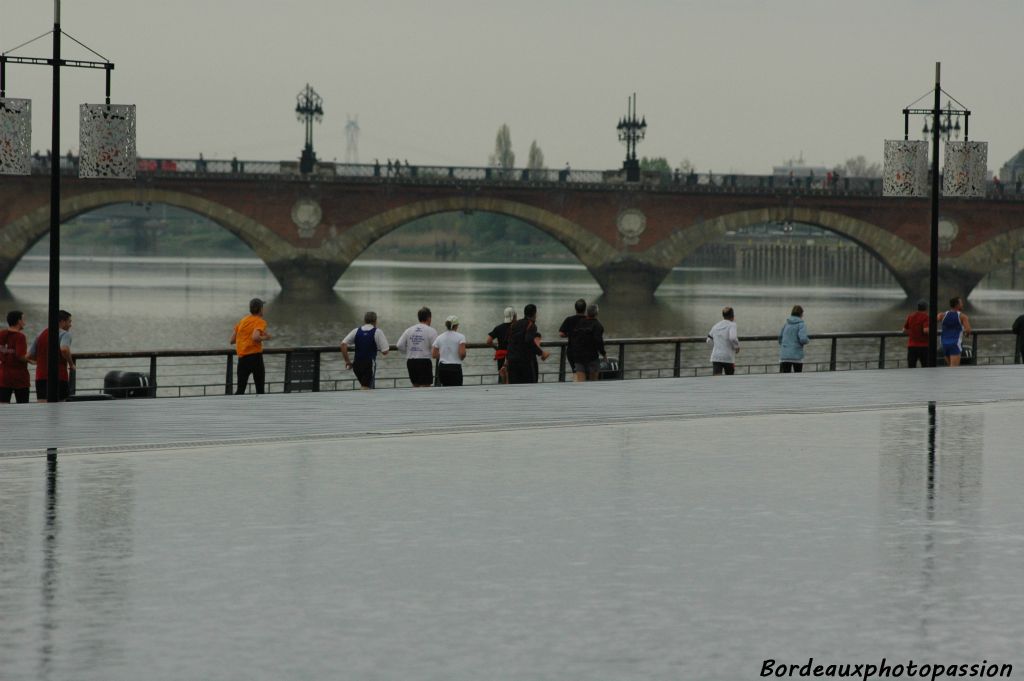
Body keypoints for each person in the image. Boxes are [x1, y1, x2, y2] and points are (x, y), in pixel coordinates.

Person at [29, 309, 74, 402]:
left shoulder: (41, 334)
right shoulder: (65, 334)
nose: (70, 325)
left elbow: (28, 355)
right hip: (59, 376)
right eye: (69, 321)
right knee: (61, 407)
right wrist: (71, 364)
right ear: (62, 321)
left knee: (42, 405)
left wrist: (40, 361)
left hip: (40, 376)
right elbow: (64, 349)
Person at [230, 298, 271, 394]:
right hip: (255, 358)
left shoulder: (243, 320)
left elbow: (232, 340)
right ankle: (260, 408)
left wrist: (244, 338)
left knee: (240, 390)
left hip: (242, 359)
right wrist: (266, 337)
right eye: (263, 308)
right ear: (260, 309)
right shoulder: (260, 321)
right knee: (260, 389)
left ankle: (236, 408)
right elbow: (255, 337)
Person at [341, 311, 389, 389]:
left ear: (364, 320)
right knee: (367, 389)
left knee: (365, 387)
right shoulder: (377, 332)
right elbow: (385, 352)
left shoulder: (356, 331)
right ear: (375, 321)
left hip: (356, 364)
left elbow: (343, 344)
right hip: (369, 364)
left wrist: (347, 361)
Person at [505, 303, 550, 384]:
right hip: (525, 362)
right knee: (529, 386)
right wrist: (541, 353)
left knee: (513, 386)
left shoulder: (515, 324)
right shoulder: (531, 325)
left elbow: (508, 340)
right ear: (534, 314)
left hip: (512, 360)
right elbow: (528, 340)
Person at [396, 307, 437, 388]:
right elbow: (436, 348)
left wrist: (408, 351)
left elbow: (399, 345)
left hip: (411, 361)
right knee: (426, 387)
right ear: (429, 318)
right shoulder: (431, 331)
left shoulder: (409, 330)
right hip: (424, 361)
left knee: (415, 386)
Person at [1, 310, 33, 404]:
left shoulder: (1, 334)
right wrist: (31, 360)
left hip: (3, 375)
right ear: (19, 321)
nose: (25, 322)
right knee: (23, 405)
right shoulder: (20, 337)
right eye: (23, 320)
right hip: (19, 377)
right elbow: (20, 356)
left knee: (2, 405)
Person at [570, 304, 606, 382]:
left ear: (587, 312)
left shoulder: (580, 323)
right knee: (593, 383)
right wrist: (604, 354)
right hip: (592, 357)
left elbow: (574, 337)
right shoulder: (598, 325)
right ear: (596, 313)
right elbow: (599, 342)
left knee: (581, 383)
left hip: (578, 357)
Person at [432, 315, 467, 387]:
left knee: (445, 389)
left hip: (442, 368)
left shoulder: (439, 337)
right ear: (456, 326)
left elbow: (434, 354)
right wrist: (461, 357)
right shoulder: (461, 337)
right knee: (457, 390)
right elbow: (462, 354)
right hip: (455, 368)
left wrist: (443, 355)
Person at [937, 296, 972, 367]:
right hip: (954, 344)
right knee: (954, 369)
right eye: (961, 303)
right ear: (957, 305)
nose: (962, 304)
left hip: (944, 344)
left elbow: (932, 323)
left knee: (950, 366)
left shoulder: (942, 315)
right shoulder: (962, 316)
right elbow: (968, 330)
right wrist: (966, 334)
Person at [706, 306, 740, 376]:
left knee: (717, 380)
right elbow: (733, 338)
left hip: (716, 356)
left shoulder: (716, 326)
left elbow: (708, 340)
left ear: (723, 316)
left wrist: (717, 346)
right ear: (732, 316)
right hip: (728, 357)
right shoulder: (732, 325)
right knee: (729, 380)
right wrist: (737, 347)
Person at [486, 307, 516, 383]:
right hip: (513, 355)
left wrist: (496, 347)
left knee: (501, 375)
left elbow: (488, 341)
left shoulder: (498, 328)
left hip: (501, 355)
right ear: (514, 316)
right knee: (512, 377)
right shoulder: (517, 327)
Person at [558, 298, 587, 375]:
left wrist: (570, 334)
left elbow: (561, 334)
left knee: (576, 373)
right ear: (585, 309)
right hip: (586, 351)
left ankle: (576, 384)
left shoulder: (569, 319)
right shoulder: (589, 320)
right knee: (584, 373)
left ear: (575, 308)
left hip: (572, 351)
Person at [778, 305, 810, 373]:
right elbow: (803, 339)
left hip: (785, 356)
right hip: (796, 356)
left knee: (785, 377)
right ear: (801, 314)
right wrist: (808, 340)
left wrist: (785, 346)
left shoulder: (786, 324)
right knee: (797, 378)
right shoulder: (801, 324)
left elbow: (780, 338)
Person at [902, 299, 930, 368]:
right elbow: (926, 330)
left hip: (912, 346)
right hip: (924, 346)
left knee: (911, 367)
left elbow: (904, 330)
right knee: (926, 368)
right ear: (926, 308)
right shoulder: (926, 317)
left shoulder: (911, 316)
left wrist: (913, 331)